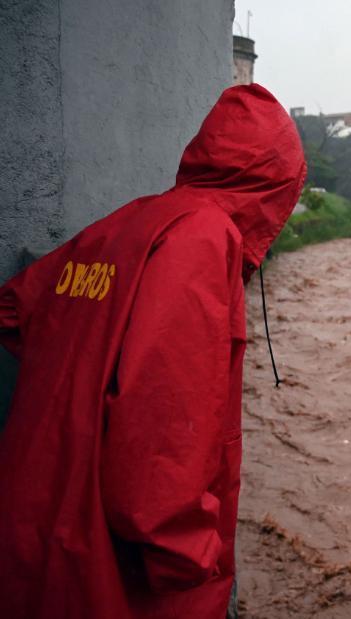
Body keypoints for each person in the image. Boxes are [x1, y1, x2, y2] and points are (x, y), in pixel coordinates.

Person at [0, 84, 306, 618]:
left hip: (35, 518)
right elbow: (161, 445)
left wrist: (86, 356)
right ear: (275, 186)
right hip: (111, 572)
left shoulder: (127, 223)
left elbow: (14, 309)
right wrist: (193, 564)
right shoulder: (205, 241)